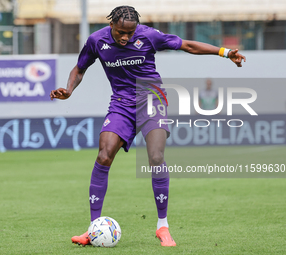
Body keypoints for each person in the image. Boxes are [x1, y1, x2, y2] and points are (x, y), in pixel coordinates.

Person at [50, 5, 246, 247]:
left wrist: (225, 52)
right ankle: (93, 229)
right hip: (121, 102)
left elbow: (187, 45)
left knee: (155, 156)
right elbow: (79, 69)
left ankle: (162, 226)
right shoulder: (96, 41)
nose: (125, 37)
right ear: (111, 25)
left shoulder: (148, 35)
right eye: (121, 32)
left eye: (130, 34)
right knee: (104, 155)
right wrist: (69, 90)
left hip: (151, 97)